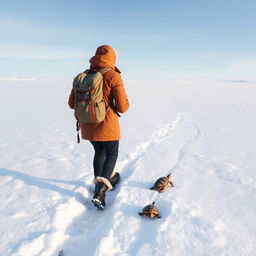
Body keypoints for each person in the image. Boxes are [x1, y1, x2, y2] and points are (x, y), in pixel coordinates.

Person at [68, 45, 129, 209]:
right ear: (113, 58)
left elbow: (71, 103)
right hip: (107, 124)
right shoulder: (113, 75)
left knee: (99, 151)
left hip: (87, 124)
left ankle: (98, 183)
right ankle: (101, 191)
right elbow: (123, 107)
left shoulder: (84, 75)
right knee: (112, 152)